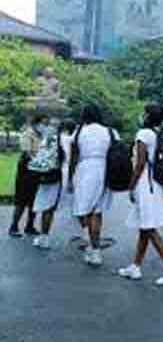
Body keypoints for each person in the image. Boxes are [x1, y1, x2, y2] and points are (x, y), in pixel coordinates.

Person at [118, 104, 163, 285]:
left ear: (148, 116)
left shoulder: (143, 134)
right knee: (145, 228)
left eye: (144, 113)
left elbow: (140, 163)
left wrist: (131, 186)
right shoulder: (158, 134)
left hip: (144, 185)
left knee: (149, 228)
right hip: (154, 184)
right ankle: (135, 266)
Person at [68, 105, 115, 267]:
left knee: (85, 210)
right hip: (105, 170)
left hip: (85, 170)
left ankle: (91, 244)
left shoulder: (79, 132)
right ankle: (95, 251)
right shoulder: (109, 131)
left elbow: (73, 158)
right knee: (97, 212)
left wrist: (70, 179)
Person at [31, 119, 73, 249]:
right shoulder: (71, 140)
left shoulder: (50, 139)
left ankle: (44, 238)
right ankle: (86, 237)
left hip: (49, 174)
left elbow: (40, 156)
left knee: (47, 208)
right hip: (63, 175)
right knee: (52, 207)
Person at [8, 114, 46, 238]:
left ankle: (30, 226)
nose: (44, 126)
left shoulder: (42, 136)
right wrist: (40, 161)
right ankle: (14, 226)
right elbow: (27, 153)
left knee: (35, 200)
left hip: (37, 170)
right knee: (22, 199)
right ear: (36, 123)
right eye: (43, 123)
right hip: (26, 170)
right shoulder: (27, 134)